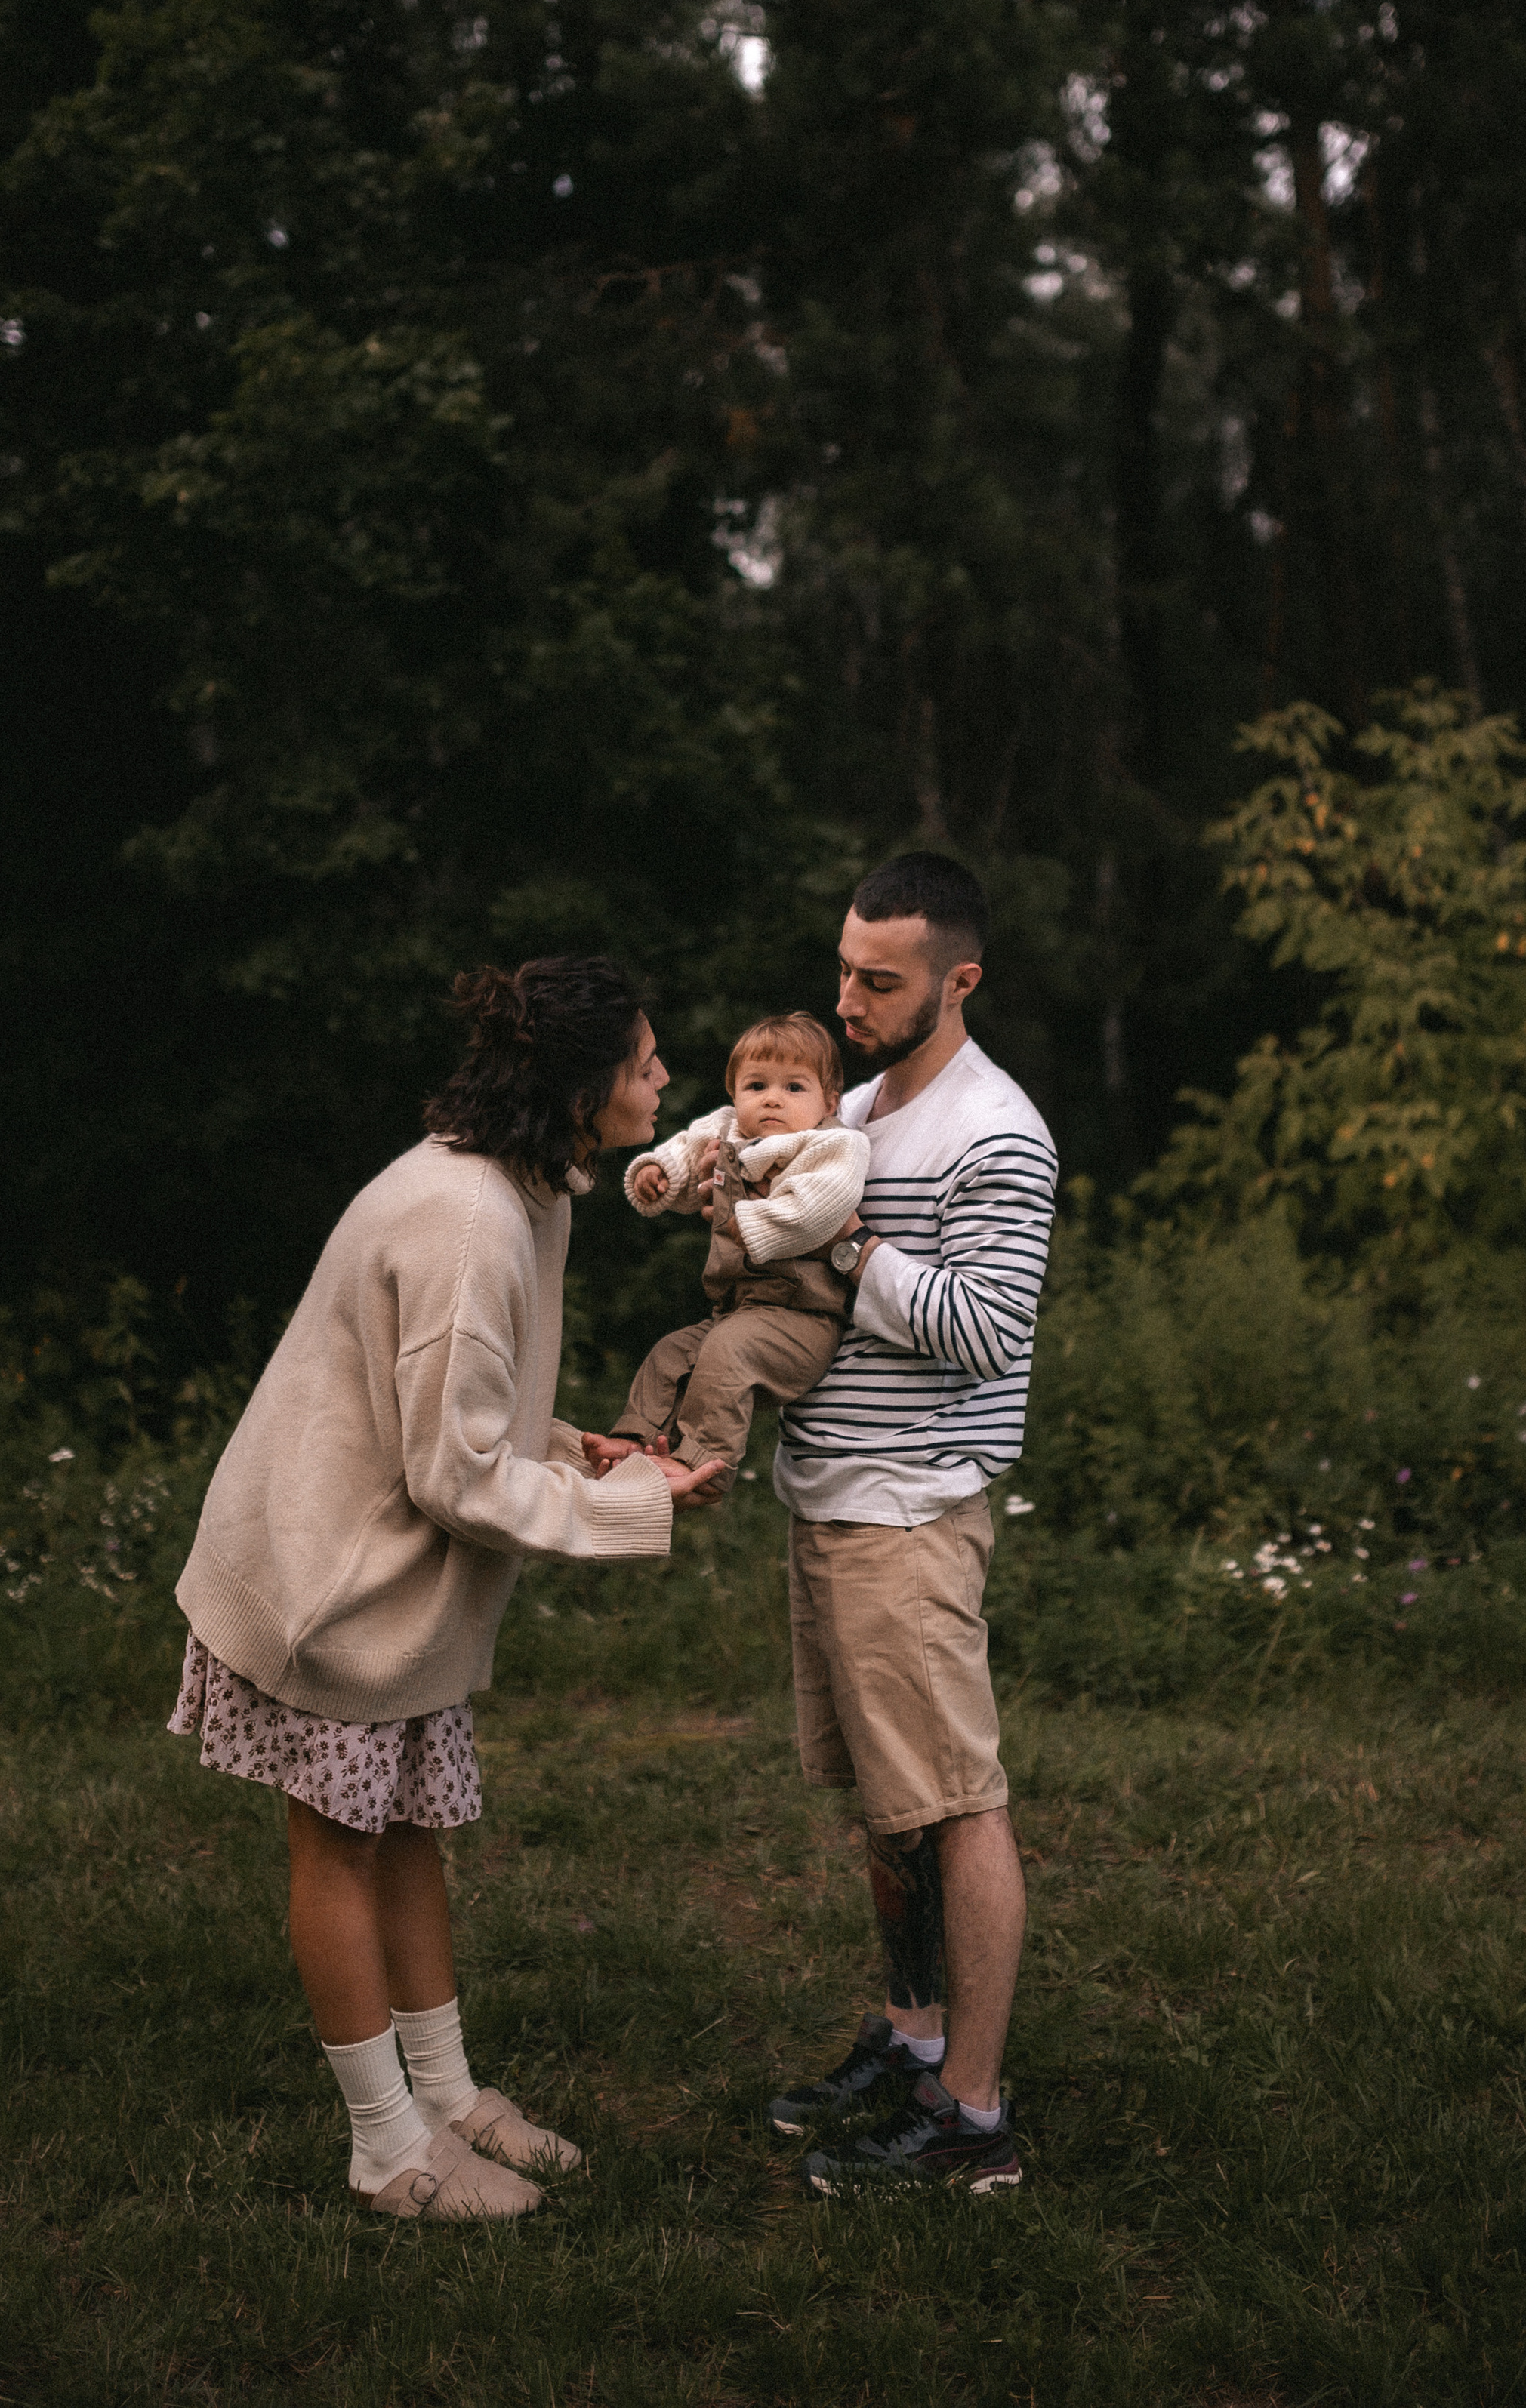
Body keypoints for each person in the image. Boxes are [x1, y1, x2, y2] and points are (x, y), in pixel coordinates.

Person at [168, 956, 727, 2223]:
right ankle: (387, 2148)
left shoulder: (531, 1187)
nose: (664, 1079)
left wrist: (583, 1446)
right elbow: (452, 1471)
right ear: (586, 1087)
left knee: (408, 1828)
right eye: (645, 1061)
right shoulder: (468, 1217)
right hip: (335, 1585)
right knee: (344, 1843)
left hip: (396, 1583)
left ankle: (452, 2098)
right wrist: (634, 1503)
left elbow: (470, 1411)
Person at [760, 854, 1057, 2197]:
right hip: (825, 1499)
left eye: (880, 980)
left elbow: (990, 1330)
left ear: (961, 977)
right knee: (891, 1806)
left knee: (957, 1803)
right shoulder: (858, 1105)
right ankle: (915, 2030)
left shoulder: (998, 1131)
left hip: (910, 1514)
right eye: (845, 969)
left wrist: (847, 1249)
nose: (849, 998)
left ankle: (974, 2115)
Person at [596, 1011, 870, 1479]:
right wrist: (659, 1175)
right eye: (756, 1086)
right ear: (734, 1093)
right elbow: (686, 1153)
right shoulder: (727, 1131)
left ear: (830, 1101)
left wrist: (745, 1217)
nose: (772, 1101)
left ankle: (703, 1462)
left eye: (794, 1088)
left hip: (803, 1319)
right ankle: (633, 1438)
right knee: (670, 1353)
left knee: (728, 1351)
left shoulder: (834, 1146)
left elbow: (818, 1212)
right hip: (737, 1312)